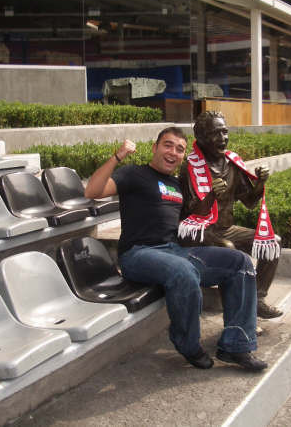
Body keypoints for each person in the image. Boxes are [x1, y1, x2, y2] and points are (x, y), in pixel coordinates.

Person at [84, 126, 267, 371]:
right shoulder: (134, 174)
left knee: (240, 263)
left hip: (174, 250)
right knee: (183, 271)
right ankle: (188, 344)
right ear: (155, 148)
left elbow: (194, 218)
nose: (173, 152)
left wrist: (212, 195)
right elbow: (92, 191)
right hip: (138, 253)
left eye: (180, 149)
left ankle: (236, 346)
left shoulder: (177, 185)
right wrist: (119, 156)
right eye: (167, 145)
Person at [178, 111, 283, 319]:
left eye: (225, 132)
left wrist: (261, 182)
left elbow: (250, 202)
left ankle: (258, 299)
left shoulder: (232, 163)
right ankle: (238, 316)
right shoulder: (190, 166)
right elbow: (191, 213)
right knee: (230, 252)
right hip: (198, 231)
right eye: (215, 133)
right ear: (200, 137)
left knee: (273, 241)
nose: (223, 138)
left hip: (226, 229)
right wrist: (210, 195)